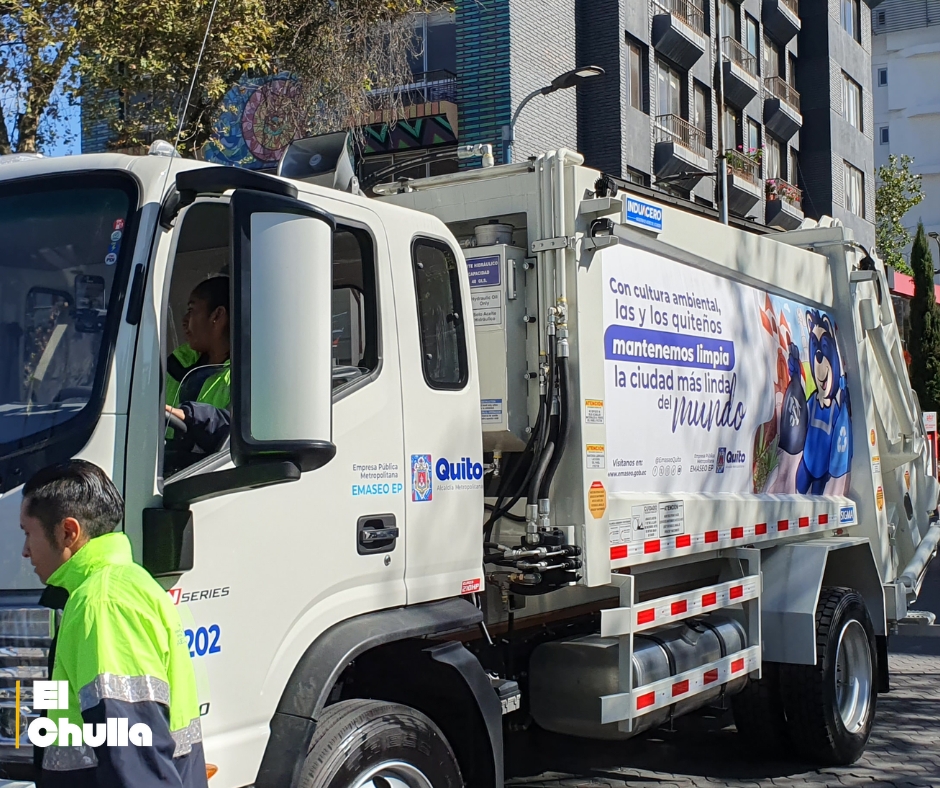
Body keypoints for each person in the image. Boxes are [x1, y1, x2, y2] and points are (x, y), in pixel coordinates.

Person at [20, 460, 208, 788]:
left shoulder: (102, 603)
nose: (24, 551)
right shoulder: (125, 584)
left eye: (28, 533)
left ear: (68, 532)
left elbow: (133, 759)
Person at [165, 276, 232, 470]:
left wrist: (188, 415)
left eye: (191, 310)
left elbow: (234, 431)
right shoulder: (176, 365)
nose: (184, 321)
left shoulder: (249, 375)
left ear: (217, 316)